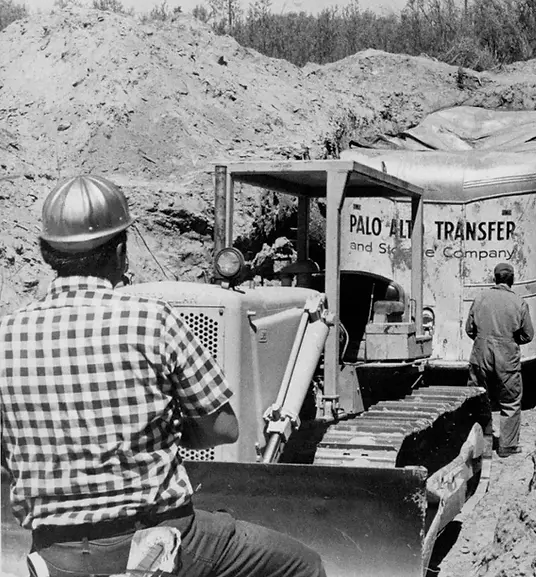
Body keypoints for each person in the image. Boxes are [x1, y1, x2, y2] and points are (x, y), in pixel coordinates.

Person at [0, 175, 325, 577]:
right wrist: (163, 430)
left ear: (45, 251)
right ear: (121, 251)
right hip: (153, 541)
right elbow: (224, 429)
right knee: (302, 565)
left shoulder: (6, 334)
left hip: (56, 553)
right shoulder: (153, 320)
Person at [466, 262, 534, 458]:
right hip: (507, 358)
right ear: (512, 280)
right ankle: (507, 446)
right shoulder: (519, 302)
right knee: (510, 401)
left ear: (494, 278)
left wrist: (484, 340)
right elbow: (528, 334)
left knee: (478, 398)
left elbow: (469, 329)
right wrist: (510, 341)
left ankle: (482, 444)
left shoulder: (480, 298)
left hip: (481, 355)